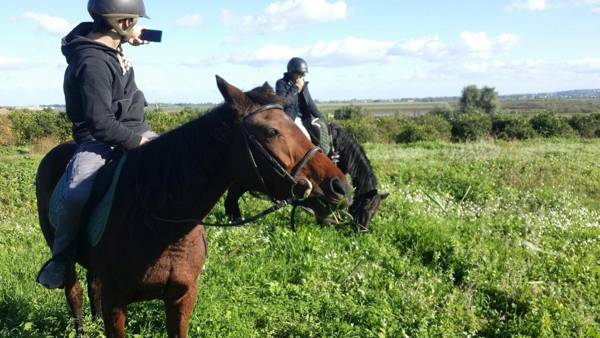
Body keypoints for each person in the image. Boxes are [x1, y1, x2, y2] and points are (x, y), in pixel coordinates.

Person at [37, 0, 158, 289]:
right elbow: (101, 123)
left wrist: (127, 41)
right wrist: (138, 143)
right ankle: (61, 260)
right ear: (121, 22)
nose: (136, 25)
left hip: (136, 129)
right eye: (132, 20)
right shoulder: (92, 63)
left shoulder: (110, 47)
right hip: (99, 141)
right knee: (75, 194)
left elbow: (110, 52)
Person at [276, 57, 334, 156]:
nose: (301, 77)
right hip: (290, 118)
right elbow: (283, 102)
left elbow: (310, 102)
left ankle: (329, 153)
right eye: (299, 74)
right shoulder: (281, 83)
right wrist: (295, 89)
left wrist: (320, 116)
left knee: (323, 129)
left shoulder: (303, 84)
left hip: (305, 117)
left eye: (303, 74)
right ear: (291, 72)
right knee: (305, 137)